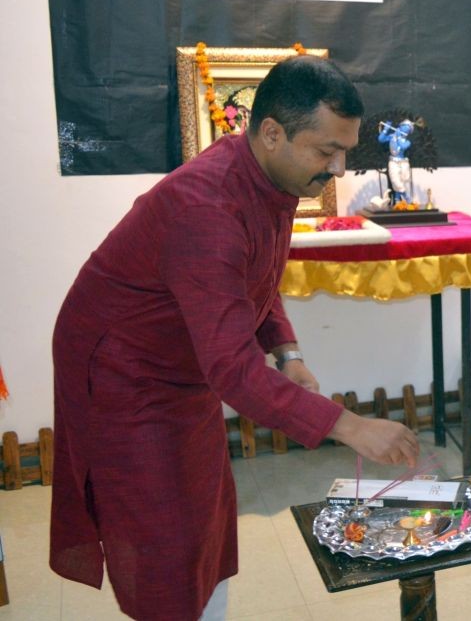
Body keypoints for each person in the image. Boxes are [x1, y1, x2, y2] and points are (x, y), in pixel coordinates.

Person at [49, 55, 420, 621]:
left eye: (344, 150)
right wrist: (350, 427)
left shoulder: (266, 175)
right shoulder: (206, 206)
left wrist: (286, 350)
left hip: (184, 359)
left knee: (203, 510)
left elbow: (258, 277)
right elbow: (232, 371)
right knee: (160, 532)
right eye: (327, 151)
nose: (340, 168)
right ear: (271, 133)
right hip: (123, 371)